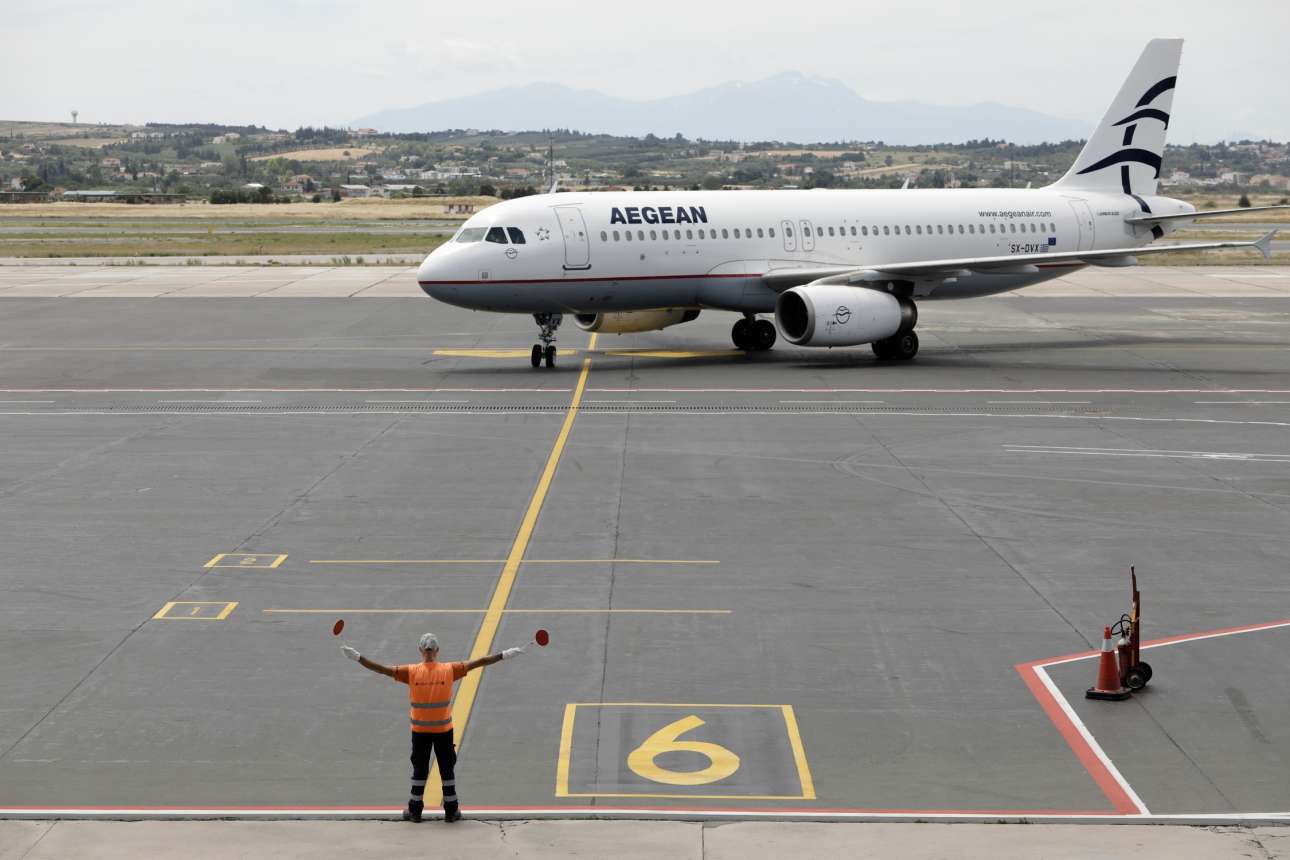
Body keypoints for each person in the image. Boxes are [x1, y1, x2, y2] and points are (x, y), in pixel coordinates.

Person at [343, 633, 523, 822]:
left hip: (420, 733)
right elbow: (480, 662)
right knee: (447, 770)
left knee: (419, 771)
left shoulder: (411, 672)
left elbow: (381, 669)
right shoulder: (449, 670)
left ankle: (414, 811)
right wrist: (504, 654)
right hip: (444, 731)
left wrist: (358, 657)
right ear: (437, 650)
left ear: (420, 650)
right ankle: (451, 811)